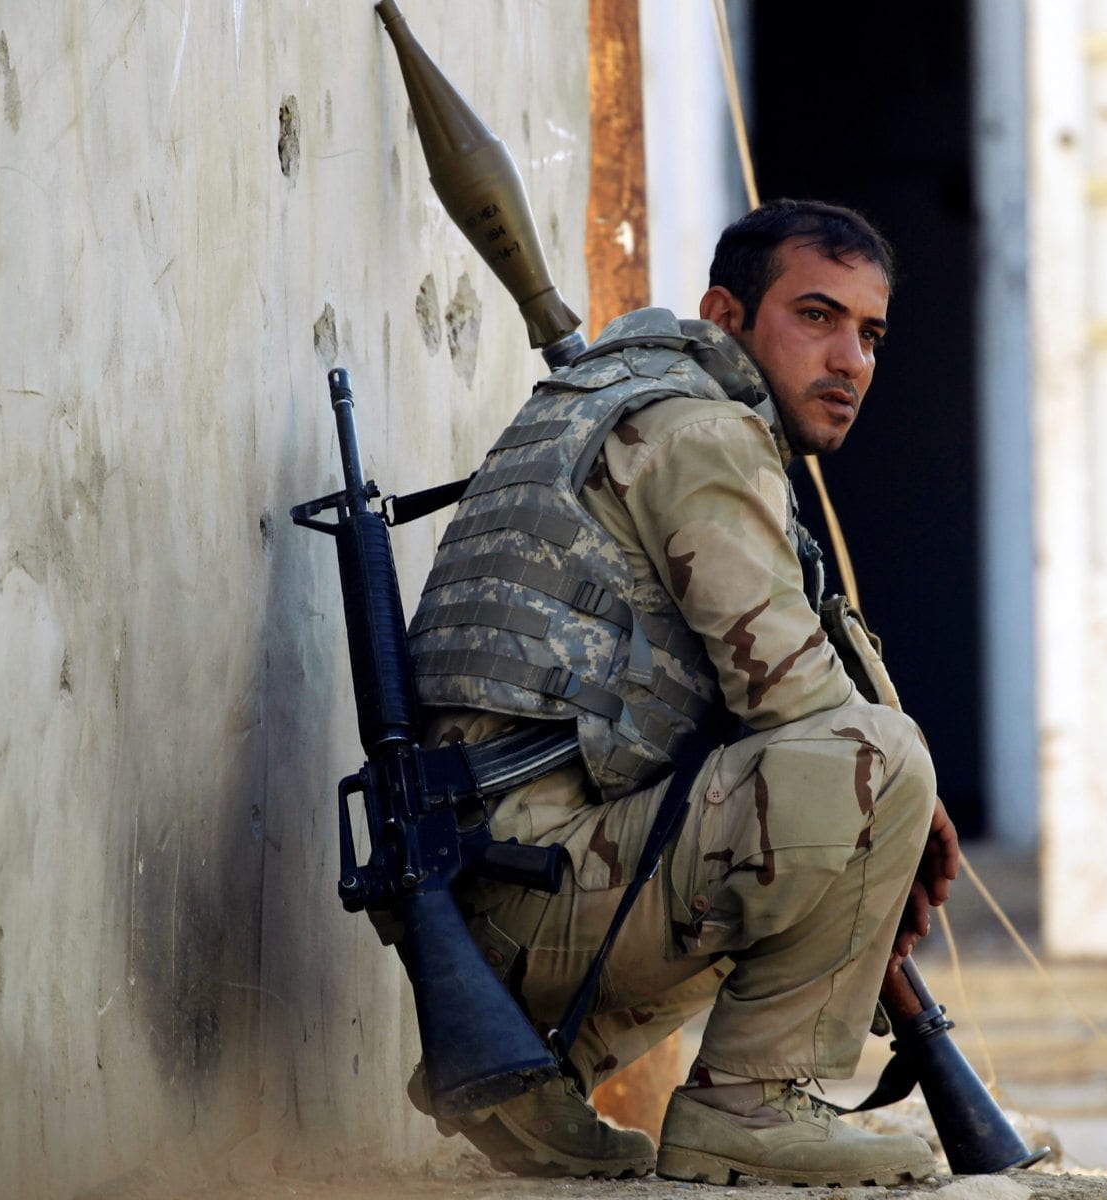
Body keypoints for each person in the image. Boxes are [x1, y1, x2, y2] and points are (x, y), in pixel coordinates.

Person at [406, 200, 957, 1186]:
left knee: (837, 794)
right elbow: (803, 710)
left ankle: (543, 1078)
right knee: (876, 764)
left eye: (870, 335)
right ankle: (750, 1105)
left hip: (490, 882)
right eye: (818, 317)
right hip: (526, 895)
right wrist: (899, 820)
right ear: (727, 313)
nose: (851, 361)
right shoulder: (698, 428)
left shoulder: (620, 402)